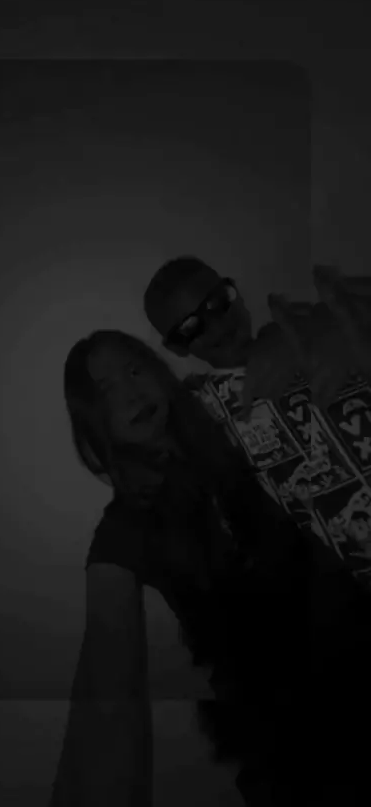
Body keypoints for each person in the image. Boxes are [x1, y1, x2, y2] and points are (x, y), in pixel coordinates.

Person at [51, 329, 371, 806]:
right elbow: (106, 684)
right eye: (107, 390)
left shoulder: (236, 425)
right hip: (298, 757)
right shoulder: (127, 525)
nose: (132, 393)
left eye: (135, 371)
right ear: (92, 417)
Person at [144, 256, 371, 593]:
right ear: (176, 347)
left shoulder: (309, 331)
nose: (217, 324)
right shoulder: (204, 413)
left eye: (218, 302)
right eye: (191, 327)